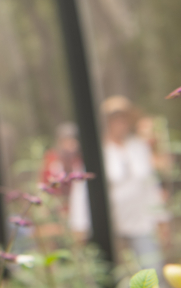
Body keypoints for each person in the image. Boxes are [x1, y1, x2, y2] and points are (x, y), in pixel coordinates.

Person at [69, 96, 168, 270]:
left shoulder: (139, 148)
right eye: (115, 119)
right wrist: (80, 227)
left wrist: (162, 219)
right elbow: (82, 192)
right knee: (116, 274)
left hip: (142, 222)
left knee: (152, 271)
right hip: (111, 227)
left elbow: (151, 186)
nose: (120, 123)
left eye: (123, 118)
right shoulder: (97, 152)